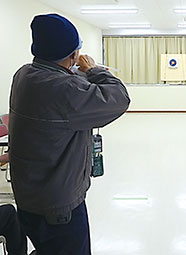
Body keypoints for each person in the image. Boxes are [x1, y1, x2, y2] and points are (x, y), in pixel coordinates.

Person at [9, 13, 130, 254]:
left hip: (28, 197)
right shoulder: (66, 90)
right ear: (73, 55)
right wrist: (94, 70)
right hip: (59, 208)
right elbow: (119, 98)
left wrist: (76, 73)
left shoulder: (23, 75)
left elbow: (58, 86)